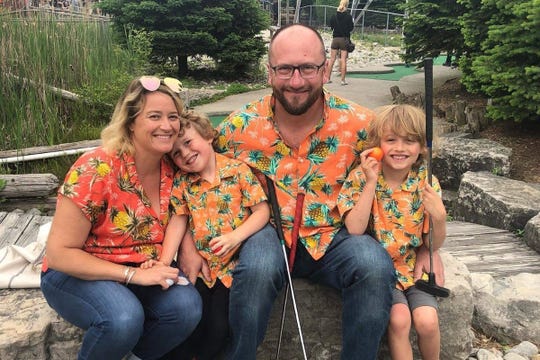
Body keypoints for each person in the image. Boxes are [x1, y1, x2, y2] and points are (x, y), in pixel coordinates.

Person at [178, 24, 395, 360]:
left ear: (325, 70)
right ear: (269, 73)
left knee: (374, 265)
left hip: (334, 235)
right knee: (258, 269)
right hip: (266, 231)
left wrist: (425, 243)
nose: (296, 81)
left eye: (307, 67)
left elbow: (404, 174)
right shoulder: (237, 127)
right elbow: (186, 179)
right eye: (285, 69)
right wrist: (187, 245)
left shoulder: (362, 125)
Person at [40, 76, 203, 360]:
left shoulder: (174, 167)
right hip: (79, 272)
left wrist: (184, 250)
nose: (167, 126)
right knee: (123, 319)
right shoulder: (96, 168)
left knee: (186, 308)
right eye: (155, 116)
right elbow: (59, 254)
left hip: (146, 267)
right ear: (130, 122)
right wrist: (134, 275)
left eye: (173, 117)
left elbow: (185, 213)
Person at [149, 111, 271, 360]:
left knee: (219, 326)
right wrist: (164, 261)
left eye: (188, 143)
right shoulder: (184, 183)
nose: (185, 154)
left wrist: (235, 237)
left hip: (231, 268)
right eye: (176, 153)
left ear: (208, 136)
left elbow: (262, 211)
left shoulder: (237, 171)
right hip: (202, 267)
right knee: (192, 321)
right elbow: (178, 220)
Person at [337, 104, 447, 360]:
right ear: (377, 144)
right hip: (381, 272)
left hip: (412, 269)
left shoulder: (426, 182)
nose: (400, 148)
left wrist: (439, 217)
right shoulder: (360, 177)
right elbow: (354, 229)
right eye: (391, 140)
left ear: (422, 147)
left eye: (409, 141)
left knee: (427, 321)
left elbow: (432, 243)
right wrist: (371, 182)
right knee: (398, 321)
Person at [327, 0, 354, 85]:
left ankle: (327, 79)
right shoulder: (349, 16)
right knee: (343, 60)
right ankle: (342, 80)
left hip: (335, 39)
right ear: (347, 5)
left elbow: (331, 26)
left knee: (332, 59)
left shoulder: (334, 16)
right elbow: (351, 28)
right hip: (344, 40)